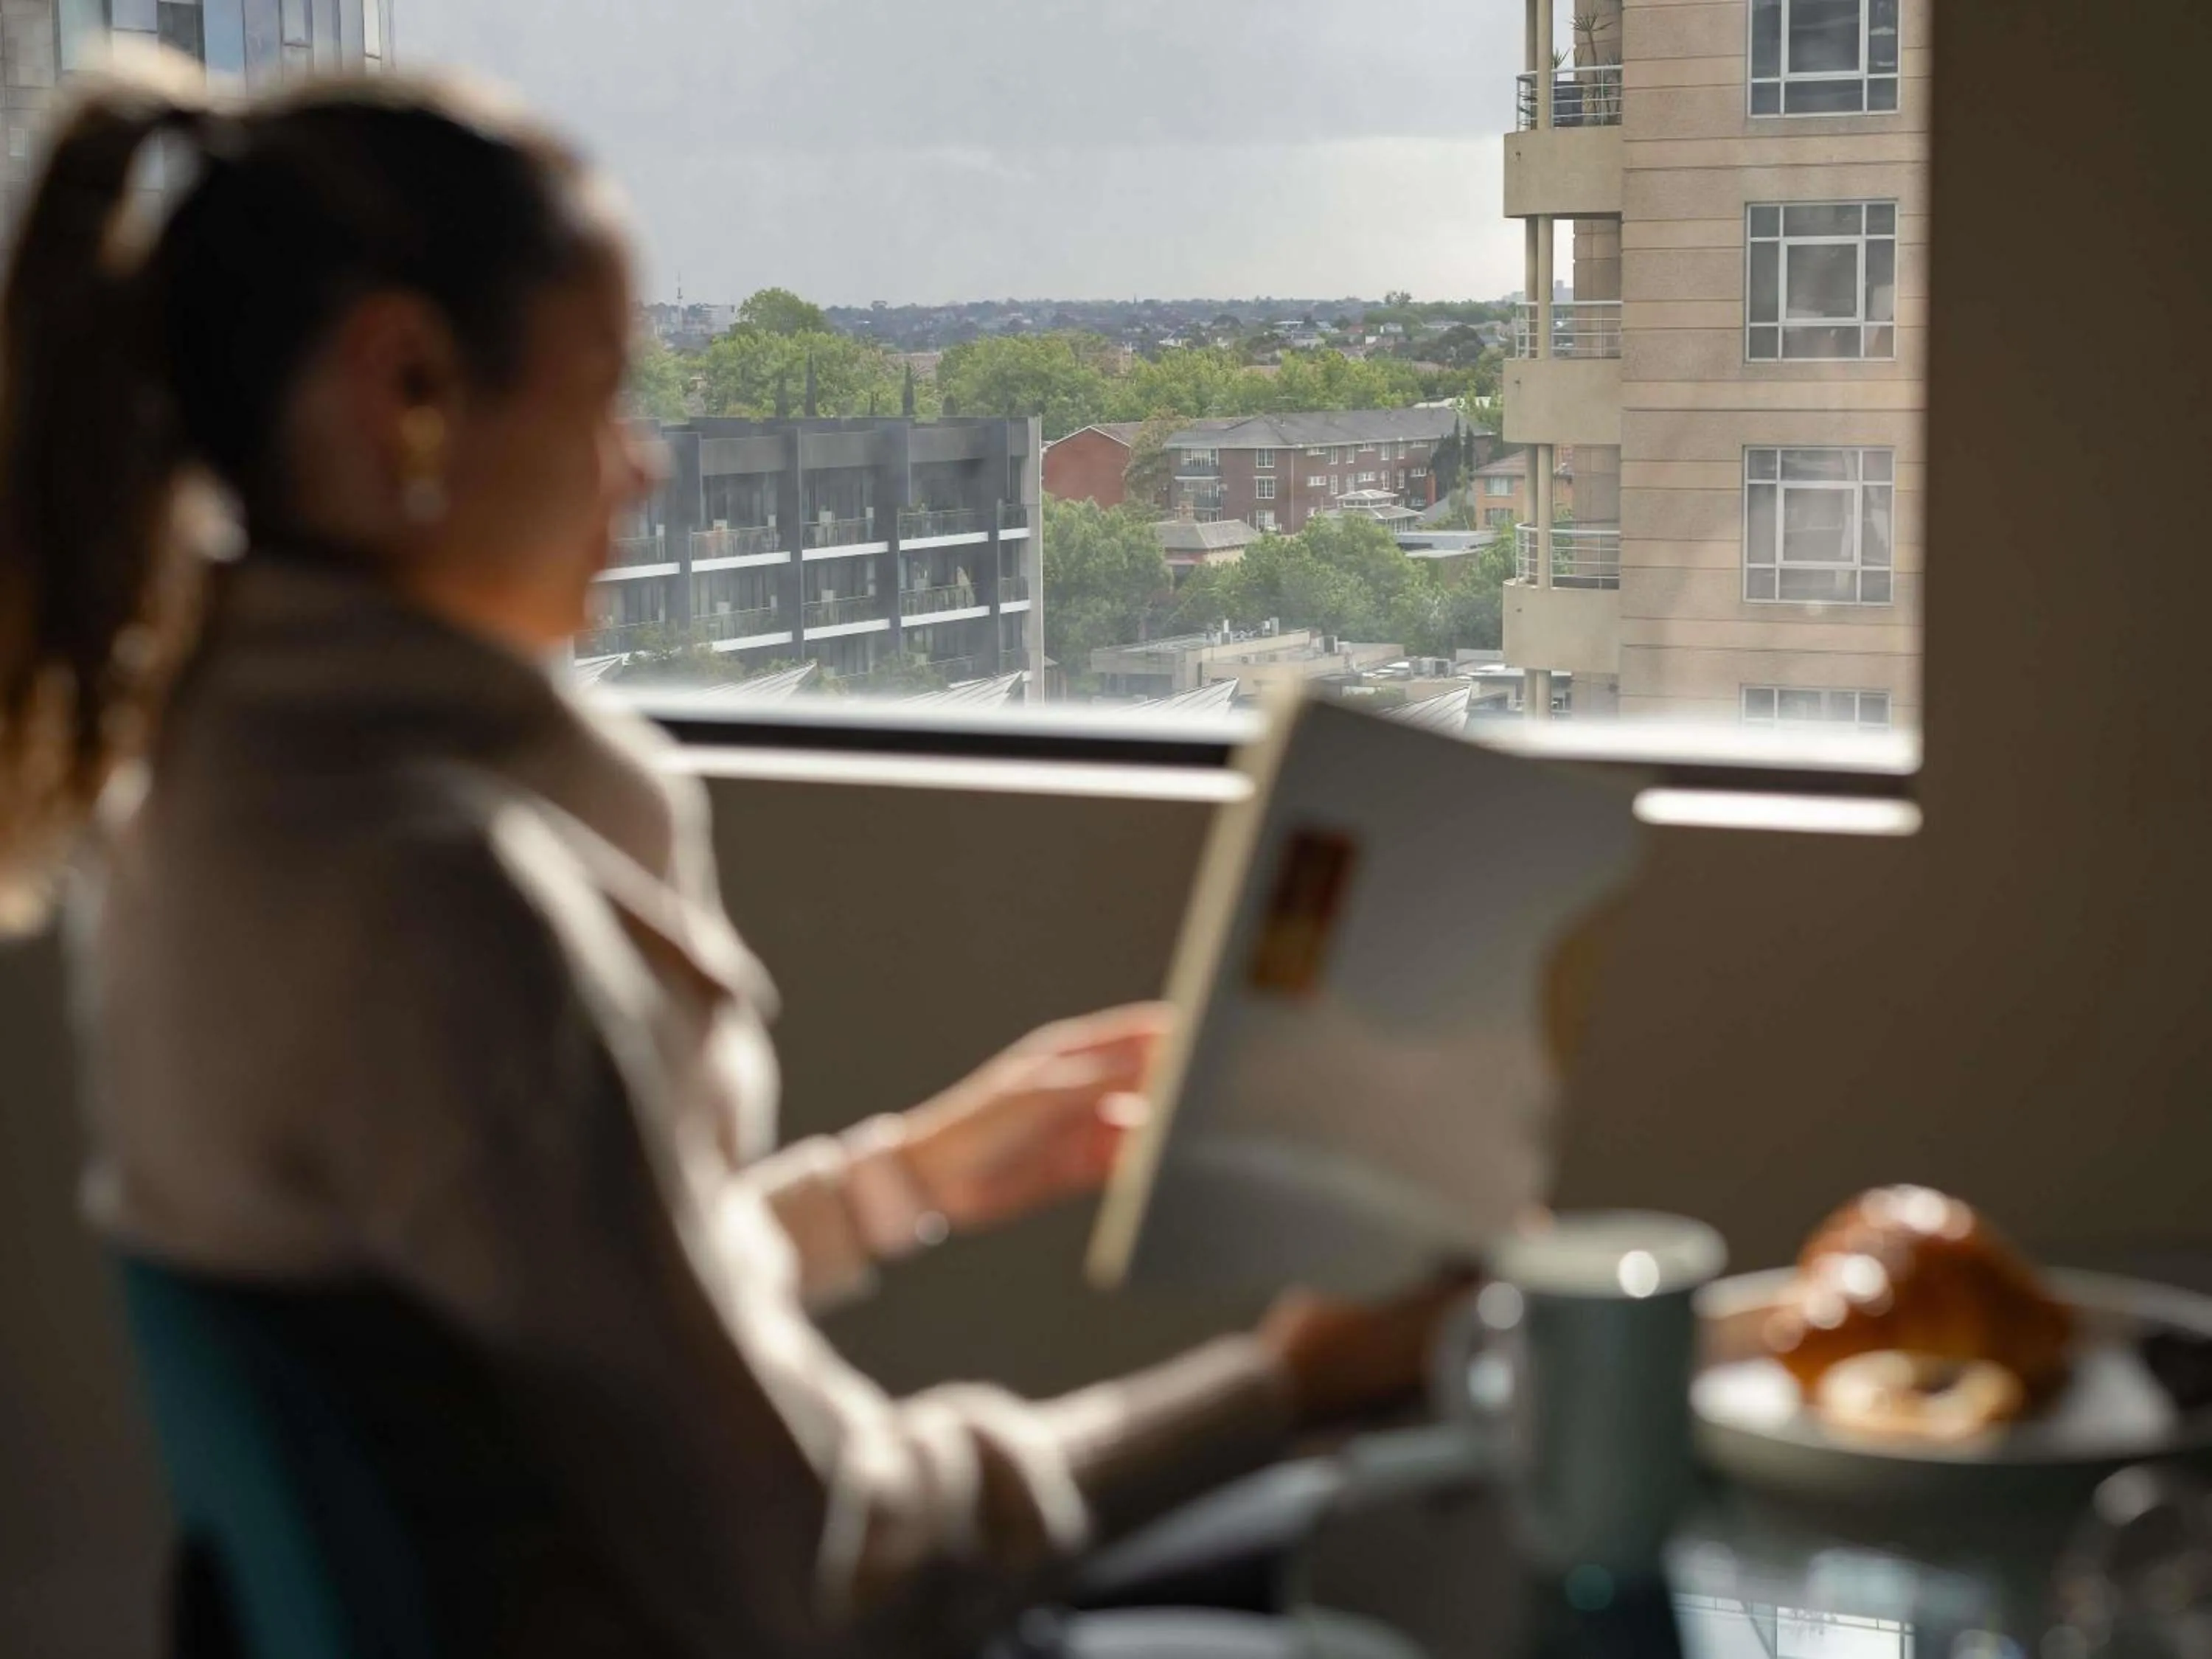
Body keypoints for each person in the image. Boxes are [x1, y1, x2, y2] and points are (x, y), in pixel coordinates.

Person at [0, 53, 1458, 1659]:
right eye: (605, 388)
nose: (643, 466)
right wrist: (1287, 1385)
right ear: (405, 388)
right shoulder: (443, 908)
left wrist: (903, 1179)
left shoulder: (200, 813)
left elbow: (554, 1359)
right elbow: (827, 1572)